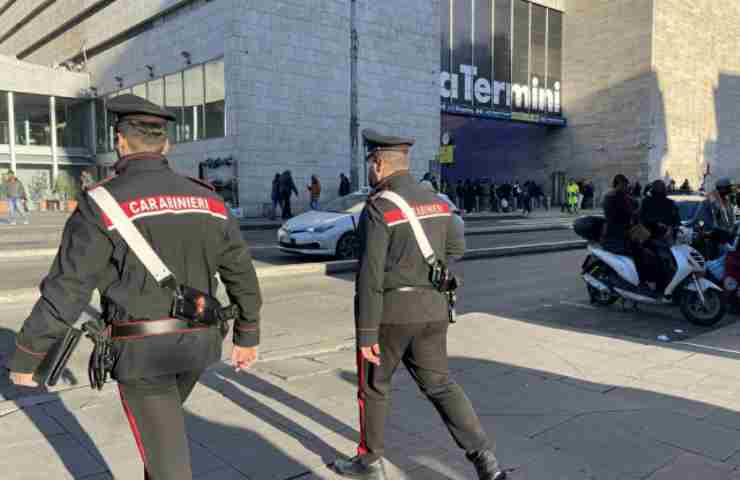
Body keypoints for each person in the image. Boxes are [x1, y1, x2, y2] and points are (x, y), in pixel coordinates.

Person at [7, 94, 263, 480]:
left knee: (168, 464)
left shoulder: (101, 203)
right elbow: (241, 271)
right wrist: (248, 334)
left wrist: (28, 355)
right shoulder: (208, 199)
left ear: (120, 143)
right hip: (199, 344)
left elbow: (68, 288)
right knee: (161, 445)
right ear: (167, 145)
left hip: (143, 356)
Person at [332, 129, 505, 480]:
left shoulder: (378, 208)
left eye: (370, 164)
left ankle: (369, 463)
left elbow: (369, 275)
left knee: (374, 386)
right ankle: (485, 459)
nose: (369, 170)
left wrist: (366, 334)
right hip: (434, 310)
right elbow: (456, 250)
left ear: (378, 164)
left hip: (391, 317)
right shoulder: (439, 202)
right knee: (441, 385)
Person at [638, 180, 681, 290]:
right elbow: (641, 219)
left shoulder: (669, 203)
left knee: (669, 263)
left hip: (666, 240)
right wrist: (656, 224)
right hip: (650, 239)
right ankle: (649, 284)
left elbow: (677, 221)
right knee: (651, 261)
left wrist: (671, 228)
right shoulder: (647, 202)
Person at [602, 174, 635, 255]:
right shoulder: (618, 196)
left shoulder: (609, 195)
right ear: (619, 184)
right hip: (619, 233)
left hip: (615, 231)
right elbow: (628, 212)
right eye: (625, 185)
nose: (626, 187)